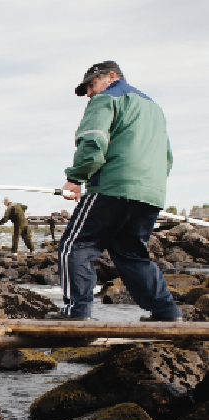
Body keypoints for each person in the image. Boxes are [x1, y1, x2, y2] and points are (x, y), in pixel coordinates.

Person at [57, 61, 179, 322]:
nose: (90, 92)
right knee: (132, 254)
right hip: (150, 192)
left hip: (112, 187)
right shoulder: (155, 109)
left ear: (111, 76)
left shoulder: (106, 99)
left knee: (75, 245)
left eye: (91, 84)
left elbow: (93, 140)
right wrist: (147, 186)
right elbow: (166, 156)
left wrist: (76, 178)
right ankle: (166, 311)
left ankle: (76, 312)